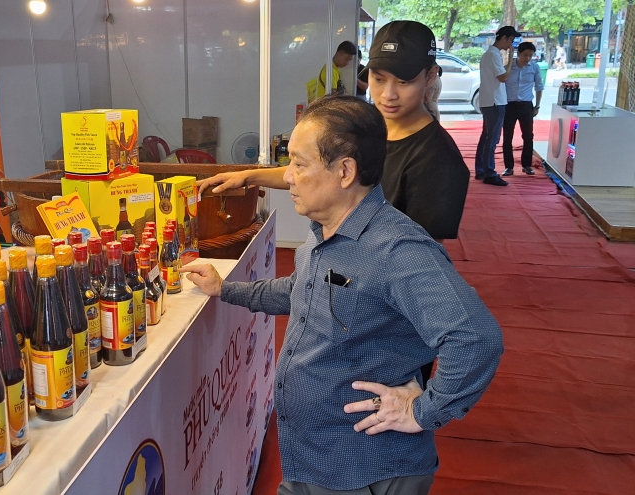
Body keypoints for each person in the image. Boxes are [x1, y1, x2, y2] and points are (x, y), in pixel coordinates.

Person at [182, 94, 504, 495]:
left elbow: (475, 338)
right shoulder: (325, 233)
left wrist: (425, 411)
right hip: (312, 457)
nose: (287, 177)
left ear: (345, 171)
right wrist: (226, 289)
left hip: (363, 470)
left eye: (299, 164)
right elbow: (302, 291)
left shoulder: (396, 249)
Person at [200, 21, 469, 242]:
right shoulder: (363, 126)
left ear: (430, 76)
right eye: (378, 79)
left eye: (404, 82)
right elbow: (310, 172)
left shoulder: (439, 159)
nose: (388, 94)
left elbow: (423, 255)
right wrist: (247, 176)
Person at [475, 26, 517, 186]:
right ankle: (489, 173)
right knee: (491, 138)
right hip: (495, 101)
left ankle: (482, 169)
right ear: (504, 38)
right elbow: (503, 77)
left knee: (487, 137)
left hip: (490, 100)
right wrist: (511, 60)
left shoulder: (491, 54)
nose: (511, 44)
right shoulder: (493, 54)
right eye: (511, 40)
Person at [501, 41, 544, 176]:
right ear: (519, 53)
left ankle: (527, 165)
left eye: (531, 55)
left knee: (528, 136)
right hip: (509, 105)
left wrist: (537, 106)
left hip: (526, 105)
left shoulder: (534, 67)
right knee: (507, 136)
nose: (528, 58)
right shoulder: (508, 67)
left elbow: (539, 87)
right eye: (525, 55)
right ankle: (509, 166)